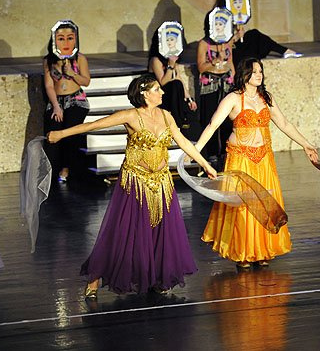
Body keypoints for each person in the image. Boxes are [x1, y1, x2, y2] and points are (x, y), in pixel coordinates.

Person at [47, 74, 217, 298]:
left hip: (161, 181)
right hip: (135, 181)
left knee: (160, 231)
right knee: (124, 233)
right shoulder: (130, 115)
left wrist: (205, 164)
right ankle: (95, 278)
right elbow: (94, 125)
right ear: (145, 93)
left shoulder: (166, 116)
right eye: (157, 89)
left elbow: (183, 141)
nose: (162, 93)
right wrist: (61, 134)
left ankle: (157, 276)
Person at [194, 57, 318, 268]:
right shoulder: (233, 98)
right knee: (243, 206)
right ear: (245, 74)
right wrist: (195, 150)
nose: (259, 75)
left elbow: (284, 123)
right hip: (241, 159)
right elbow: (213, 124)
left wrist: (306, 144)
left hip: (264, 159)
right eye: (254, 71)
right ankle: (243, 251)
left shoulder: (266, 98)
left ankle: (262, 249)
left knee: (264, 203)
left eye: (261, 71)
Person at [43, 22, 91, 182]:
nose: (66, 43)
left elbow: (86, 81)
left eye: (70, 38)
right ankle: (51, 170)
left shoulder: (80, 59)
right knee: (53, 132)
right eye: (61, 38)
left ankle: (66, 168)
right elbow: (49, 86)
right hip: (56, 101)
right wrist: (56, 107)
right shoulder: (48, 61)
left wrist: (72, 73)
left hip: (76, 101)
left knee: (70, 132)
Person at [213, 0, 302, 65]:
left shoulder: (235, 16)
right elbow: (219, 43)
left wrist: (239, 32)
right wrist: (235, 37)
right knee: (252, 40)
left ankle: (285, 51)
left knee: (254, 34)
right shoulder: (218, 17)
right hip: (227, 52)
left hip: (237, 46)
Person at [197, 12, 236, 168]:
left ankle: (226, 152)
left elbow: (231, 62)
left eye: (222, 24)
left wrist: (235, 78)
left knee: (228, 119)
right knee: (211, 118)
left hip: (227, 83)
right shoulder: (203, 44)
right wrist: (216, 61)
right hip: (210, 84)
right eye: (217, 24)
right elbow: (201, 67)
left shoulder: (228, 42)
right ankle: (212, 154)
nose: (219, 27)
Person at [148, 25, 198, 139]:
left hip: (173, 96)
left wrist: (189, 98)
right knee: (175, 85)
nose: (170, 43)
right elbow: (163, 83)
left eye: (172, 39)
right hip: (160, 95)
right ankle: (176, 121)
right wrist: (170, 66)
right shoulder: (156, 60)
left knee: (190, 108)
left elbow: (178, 78)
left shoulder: (171, 59)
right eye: (167, 40)